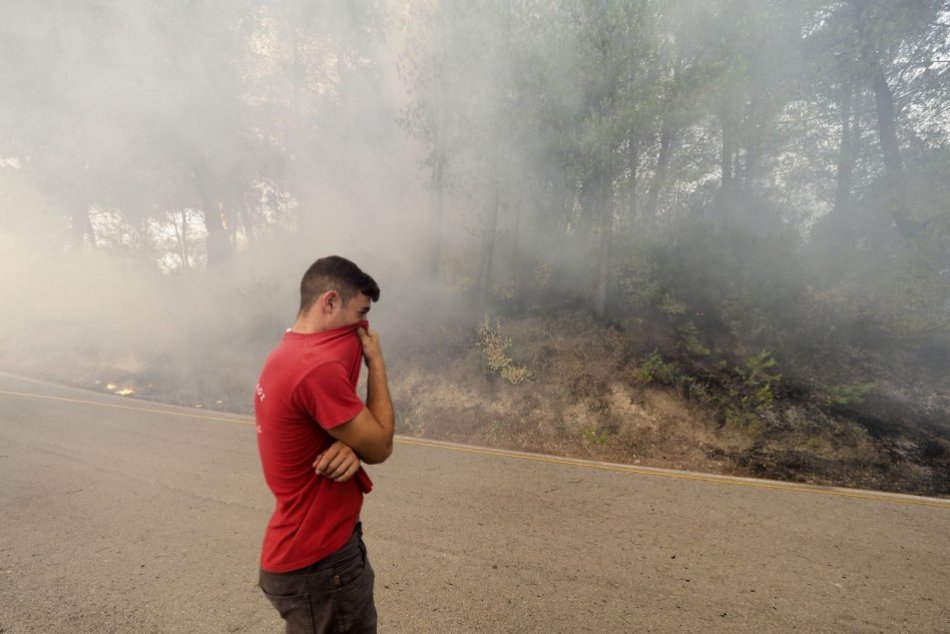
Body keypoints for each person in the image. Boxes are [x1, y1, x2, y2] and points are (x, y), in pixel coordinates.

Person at [254, 255, 395, 633]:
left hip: (306, 556)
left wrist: (351, 444)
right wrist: (376, 361)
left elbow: (325, 423)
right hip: (320, 566)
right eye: (361, 314)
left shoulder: (287, 353)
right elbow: (381, 445)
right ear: (330, 302)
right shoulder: (316, 369)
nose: (364, 329)